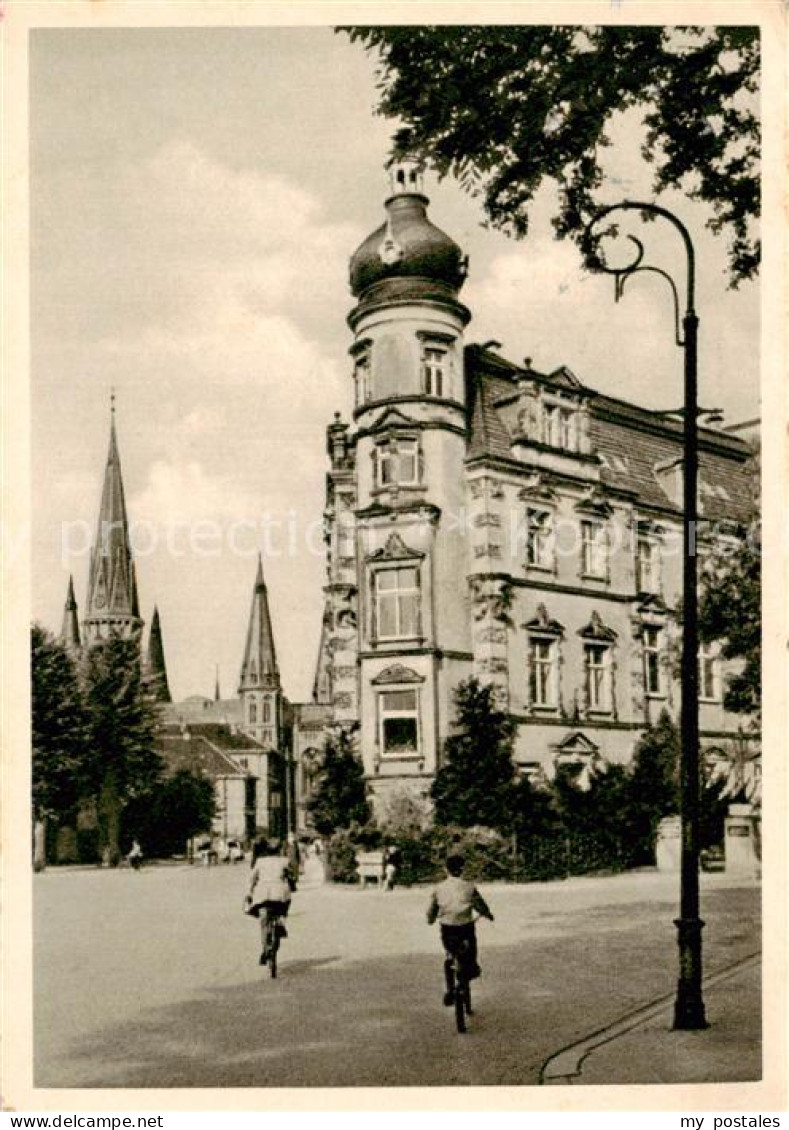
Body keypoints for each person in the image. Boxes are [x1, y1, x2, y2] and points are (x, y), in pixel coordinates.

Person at [426, 854, 494, 1006]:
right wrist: (488, 914)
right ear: (462, 869)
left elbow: (432, 912)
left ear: (446, 869)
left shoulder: (439, 889)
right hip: (465, 928)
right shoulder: (469, 887)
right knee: (470, 951)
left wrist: (430, 920)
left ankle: (450, 990)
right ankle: (472, 968)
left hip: (448, 929)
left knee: (450, 956)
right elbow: (480, 905)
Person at [244, 839, 292, 965]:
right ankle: (281, 920)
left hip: (262, 896)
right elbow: (292, 875)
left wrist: (249, 892)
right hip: (279, 895)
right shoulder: (284, 861)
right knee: (287, 901)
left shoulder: (260, 862)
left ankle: (265, 950)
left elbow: (251, 879)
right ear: (278, 850)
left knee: (264, 924)